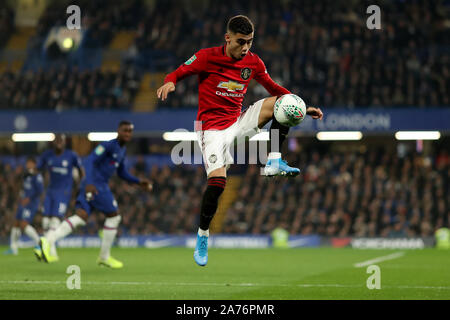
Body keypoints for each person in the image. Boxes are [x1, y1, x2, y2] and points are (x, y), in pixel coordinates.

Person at [157, 15, 323, 266]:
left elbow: (272, 86)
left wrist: (301, 106)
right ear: (228, 38)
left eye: (250, 42)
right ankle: (203, 235)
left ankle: (274, 161)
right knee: (217, 182)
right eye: (241, 41)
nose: (246, 47)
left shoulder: (253, 62)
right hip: (210, 130)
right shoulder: (206, 56)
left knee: (285, 104)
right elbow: (177, 73)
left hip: (238, 123)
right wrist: (169, 83)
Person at [38, 121, 153, 268]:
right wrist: (90, 182)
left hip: (91, 186)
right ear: (118, 130)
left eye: (130, 131)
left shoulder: (121, 150)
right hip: (96, 186)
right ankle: (104, 256)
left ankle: (48, 240)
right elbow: (89, 160)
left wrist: (138, 181)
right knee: (114, 216)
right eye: (125, 130)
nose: (127, 134)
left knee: (80, 217)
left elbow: (122, 172)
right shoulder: (107, 145)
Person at [34, 134, 84, 261]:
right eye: (56, 140)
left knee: (55, 220)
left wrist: (80, 187)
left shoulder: (71, 155)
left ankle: (47, 250)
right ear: (53, 142)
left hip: (63, 192)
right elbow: (38, 169)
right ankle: (50, 252)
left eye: (61, 140)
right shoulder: (47, 155)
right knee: (45, 221)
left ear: (64, 142)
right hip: (50, 191)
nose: (59, 142)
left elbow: (81, 170)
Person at [4, 158, 44, 256]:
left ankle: (39, 243)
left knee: (23, 223)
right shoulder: (26, 175)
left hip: (31, 204)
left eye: (30, 163)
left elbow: (40, 190)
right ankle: (13, 248)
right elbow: (21, 187)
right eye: (27, 163)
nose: (28, 165)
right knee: (16, 223)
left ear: (34, 164)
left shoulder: (37, 176)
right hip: (23, 202)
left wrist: (29, 199)